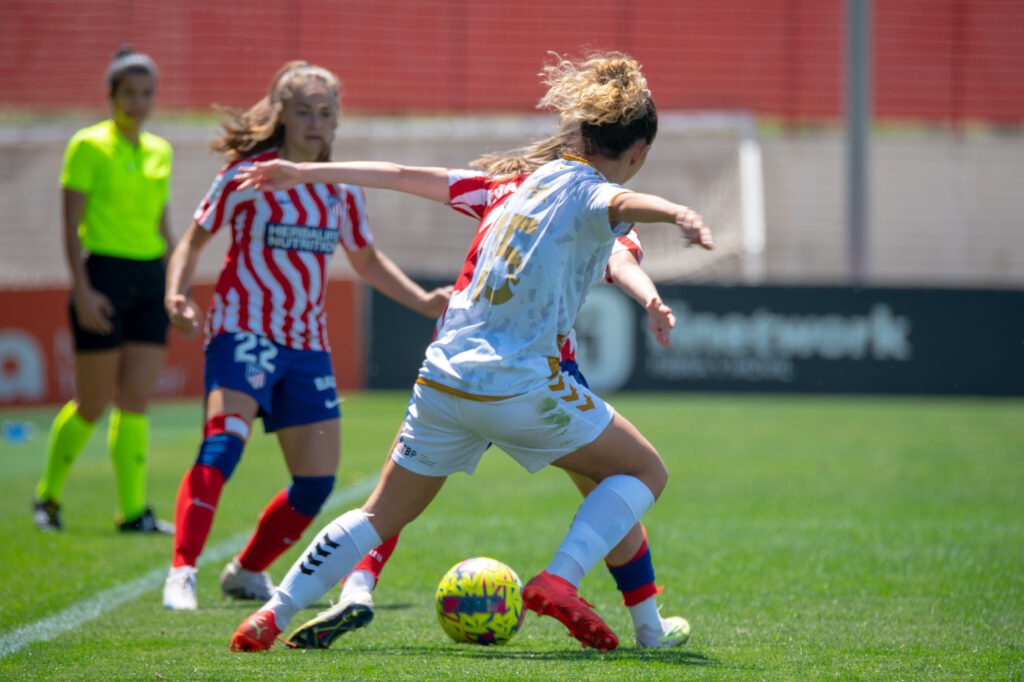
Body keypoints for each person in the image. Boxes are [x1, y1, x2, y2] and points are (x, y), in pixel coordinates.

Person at [229, 52, 712, 652]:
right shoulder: (595, 196)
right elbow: (621, 222)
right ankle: (560, 582)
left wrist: (303, 175)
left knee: (381, 513)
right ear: (636, 152)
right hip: (523, 382)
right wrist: (676, 214)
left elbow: (402, 173)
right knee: (641, 473)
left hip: (445, 380)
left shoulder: (508, 187)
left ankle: (269, 616)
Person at [160, 61, 451, 611]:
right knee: (223, 446)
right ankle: (182, 571)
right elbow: (193, 241)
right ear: (280, 116)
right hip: (243, 332)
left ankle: (245, 571)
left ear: (337, 119)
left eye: (325, 112)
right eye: (303, 111)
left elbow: (365, 257)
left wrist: (423, 300)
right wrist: (176, 293)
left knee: (315, 486)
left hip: (306, 345)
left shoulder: (340, 188)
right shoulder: (249, 175)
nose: (316, 123)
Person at [33, 46, 175, 534]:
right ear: (111, 95)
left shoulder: (161, 149)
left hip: (151, 278)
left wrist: (174, 284)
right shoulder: (87, 146)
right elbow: (70, 227)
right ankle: (47, 497)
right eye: (129, 93)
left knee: (136, 400)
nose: (138, 102)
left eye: (146, 93)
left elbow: (164, 224)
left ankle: (133, 512)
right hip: (104, 280)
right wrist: (84, 289)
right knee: (93, 402)